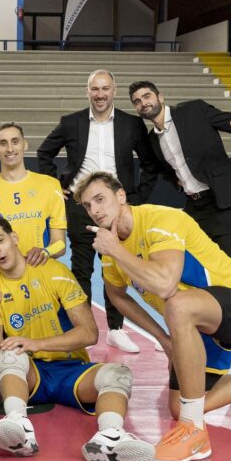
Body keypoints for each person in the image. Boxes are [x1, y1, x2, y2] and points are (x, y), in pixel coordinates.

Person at [77, 171, 231, 461]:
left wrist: (115, 249)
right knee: (180, 405)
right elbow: (117, 297)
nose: (95, 209)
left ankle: (193, 433)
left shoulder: (159, 219)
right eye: (88, 205)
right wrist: (163, 339)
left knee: (177, 305)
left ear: (121, 196)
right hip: (196, 325)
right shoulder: (111, 253)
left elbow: (165, 285)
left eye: (100, 199)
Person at [0, 215, 155, 461]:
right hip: (30, 374)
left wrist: (37, 343)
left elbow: (89, 333)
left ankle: (109, 439)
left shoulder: (54, 272)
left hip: (70, 369)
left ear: (14, 238)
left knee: (118, 374)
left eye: (0, 240)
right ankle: (18, 425)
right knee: (10, 353)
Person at [36, 70, 160, 354]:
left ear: (113, 90)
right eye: (95, 89)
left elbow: (149, 163)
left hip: (117, 209)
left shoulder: (131, 124)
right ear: (87, 91)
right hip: (82, 207)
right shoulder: (72, 122)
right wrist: (56, 187)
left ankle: (116, 329)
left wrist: (138, 196)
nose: (100, 94)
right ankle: (83, 329)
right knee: (81, 268)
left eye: (105, 88)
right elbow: (44, 153)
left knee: (116, 269)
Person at [128, 81, 231, 271]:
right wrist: (131, 206)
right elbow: (158, 172)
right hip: (195, 205)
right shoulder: (152, 139)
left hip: (225, 198)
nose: (143, 103)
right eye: (137, 101)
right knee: (192, 263)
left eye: (147, 96)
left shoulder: (194, 110)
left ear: (160, 97)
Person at [0, 122, 67, 266]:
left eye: (15, 142)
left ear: (25, 145)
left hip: (38, 273)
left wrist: (45, 252)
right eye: (3, 143)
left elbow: (60, 244)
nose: (10, 149)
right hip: (0, 276)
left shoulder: (50, 185)